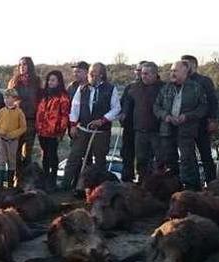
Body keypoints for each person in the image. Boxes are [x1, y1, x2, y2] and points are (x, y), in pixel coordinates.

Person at [62, 62, 121, 193]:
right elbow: (75, 107)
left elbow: (116, 108)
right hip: (83, 129)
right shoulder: (82, 89)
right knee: (74, 158)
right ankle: (65, 186)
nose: (90, 76)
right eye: (89, 74)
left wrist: (102, 120)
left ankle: (98, 190)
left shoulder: (111, 89)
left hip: (101, 132)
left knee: (100, 161)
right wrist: (72, 125)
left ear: (100, 74)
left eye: (93, 74)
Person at [153, 61, 207, 191]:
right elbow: (156, 106)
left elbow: (203, 107)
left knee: (187, 158)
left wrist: (187, 116)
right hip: (167, 129)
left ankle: (191, 188)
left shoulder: (196, 88)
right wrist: (165, 116)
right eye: (171, 71)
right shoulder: (166, 88)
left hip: (186, 129)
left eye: (175, 71)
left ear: (185, 72)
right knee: (169, 158)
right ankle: (173, 186)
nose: (172, 73)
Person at [182, 55, 219, 184]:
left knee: (206, 155)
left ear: (194, 65)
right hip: (185, 125)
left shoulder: (204, 81)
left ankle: (212, 184)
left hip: (202, 124)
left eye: (187, 64)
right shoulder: (180, 81)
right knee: (188, 157)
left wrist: (212, 119)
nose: (184, 67)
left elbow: (213, 101)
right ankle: (193, 183)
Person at [35, 70, 71, 190]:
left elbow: (65, 115)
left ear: (59, 81)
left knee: (52, 156)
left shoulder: (63, 97)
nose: (50, 82)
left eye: (53, 80)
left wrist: (61, 131)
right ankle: (45, 178)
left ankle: (52, 180)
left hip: (53, 132)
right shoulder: (44, 95)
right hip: (41, 130)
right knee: (44, 155)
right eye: (49, 80)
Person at [128, 62, 164, 182]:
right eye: (142, 73)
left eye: (147, 74)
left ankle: (160, 185)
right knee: (141, 160)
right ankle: (142, 183)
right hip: (140, 130)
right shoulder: (134, 88)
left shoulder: (164, 88)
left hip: (158, 131)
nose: (143, 76)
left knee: (160, 160)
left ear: (155, 74)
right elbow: (128, 106)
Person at [7, 57, 41, 175]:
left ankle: (27, 180)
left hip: (31, 120)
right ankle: (16, 178)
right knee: (14, 152)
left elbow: (39, 100)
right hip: (16, 120)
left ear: (29, 66)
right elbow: (8, 100)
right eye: (20, 65)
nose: (22, 67)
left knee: (27, 152)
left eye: (25, 64)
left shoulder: (36, 81)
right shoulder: (14, 81)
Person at [0, 88, 27, 187]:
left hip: (13, 140)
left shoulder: (19, 112)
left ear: (14, 99)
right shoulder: (1, 111)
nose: (7, 100)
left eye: (9, 98)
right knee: (1, 160)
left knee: (12, 161)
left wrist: (13, 134)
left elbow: (23, 127)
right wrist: (0, 131)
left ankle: (10, 184)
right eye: (5, 98)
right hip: (1, 139)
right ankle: (0, 184)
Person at [118, 62, 145, 182]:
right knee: (127, 154)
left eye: (141, 70)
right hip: (129, 126)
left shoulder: (152, 87)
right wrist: (122, 114)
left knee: (143, 156)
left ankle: (144, 181)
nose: (138, 73)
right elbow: (123, 103)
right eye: (137, 70)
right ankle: (126, 180)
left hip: (144, 127)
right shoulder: (130, 87)